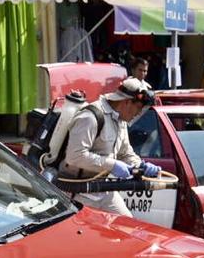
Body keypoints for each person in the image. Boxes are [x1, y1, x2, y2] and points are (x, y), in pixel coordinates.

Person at [58, 77, 159, 217]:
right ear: (127, 102)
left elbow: (125, 152)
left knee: (127, 226)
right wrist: (112, 165)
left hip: (104, 190)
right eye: (139, 108)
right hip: (78, 192)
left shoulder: (121, 119)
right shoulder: (90, 117)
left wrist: (141, 165)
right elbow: (75, 156)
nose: (139, 113)